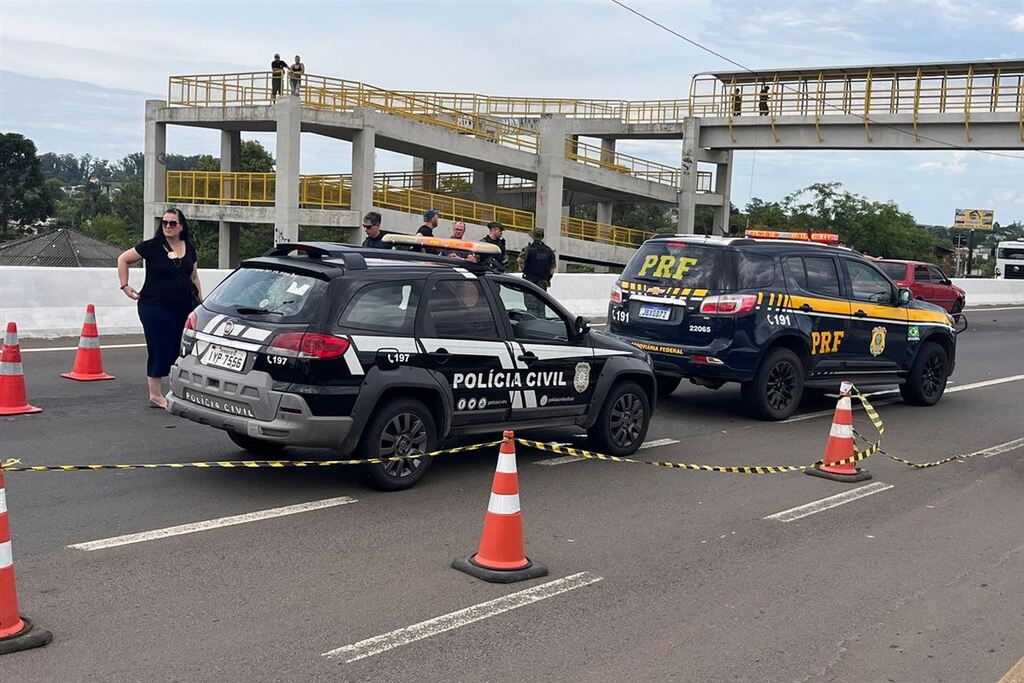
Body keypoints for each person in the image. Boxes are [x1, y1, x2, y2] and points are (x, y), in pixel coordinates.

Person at [116, 209, 203, 409]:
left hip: (182, 306)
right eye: (164, 223)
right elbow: (123, 259)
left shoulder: (188, 247)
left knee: (178, 349)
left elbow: (194, 276)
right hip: (154, 305)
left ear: (181, 226)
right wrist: (125, 285)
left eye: (173, 223)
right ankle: (155, 394)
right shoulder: (153, 246)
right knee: (159, 347)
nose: (168, 226)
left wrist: (200, 302)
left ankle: (176, 389)